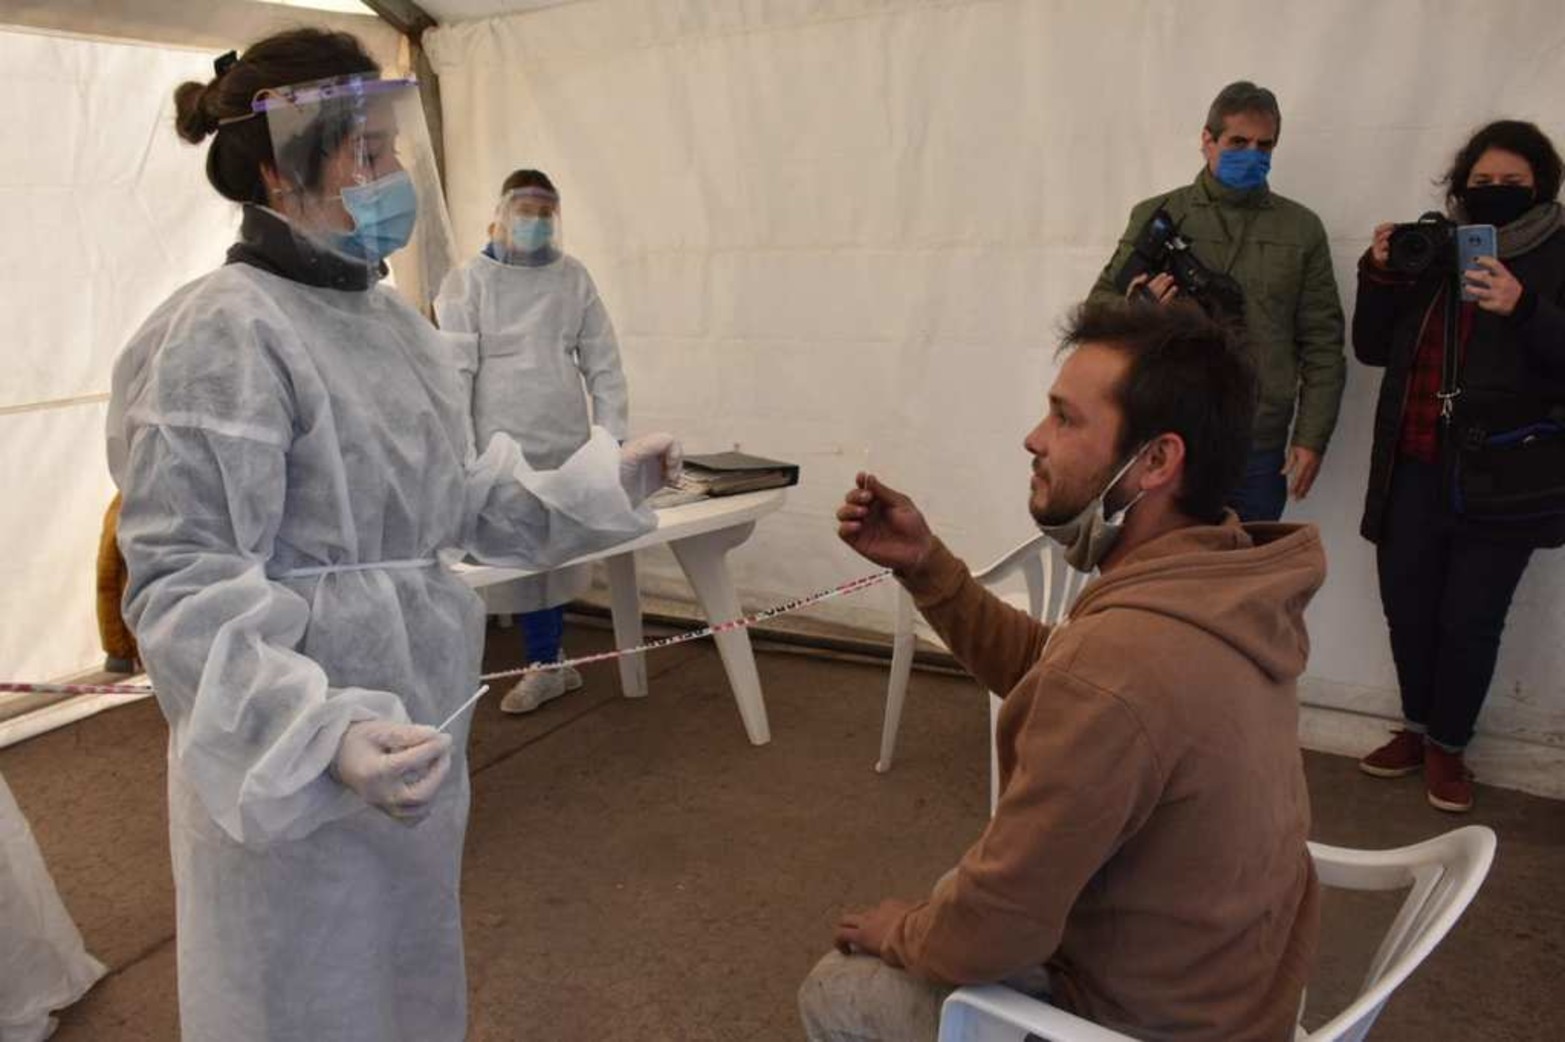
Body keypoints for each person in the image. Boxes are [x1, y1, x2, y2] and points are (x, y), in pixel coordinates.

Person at [109, 29, 678, 1042]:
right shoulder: (221, 335)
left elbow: (456, 502)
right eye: (364, 154)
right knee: (300, 991)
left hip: (415, 721)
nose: (393, 177)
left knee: (405, 974)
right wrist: (316, 730)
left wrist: (596, 484)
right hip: (283, 755)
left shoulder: (397, 329)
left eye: (392, 150)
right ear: (281, 170)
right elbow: (183, 582)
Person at [800, 301, 1323, 1042]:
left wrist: (900, 933)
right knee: (960, 888)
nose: (1033, 440)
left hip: (1148, 1021)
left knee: (841, 988)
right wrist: (928, 568)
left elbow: (990, 931)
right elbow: (1053, 671)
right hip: (1237, 986)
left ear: (1155, 462)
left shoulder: (1122, 664)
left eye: (1064, 419)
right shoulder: (1220, 576)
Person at [1353, 119, 1565, 813]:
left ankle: (1448, 745)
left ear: (1541, 185)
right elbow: (1372, 348)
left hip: (1502, 473)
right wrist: (1379, 273)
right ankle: (1415, 728)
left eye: (1511, 183)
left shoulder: (1557, 251)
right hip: (1412, 464)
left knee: (1470, 618)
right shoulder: (1433, 249)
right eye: (1481, 183)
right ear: (1459, 188)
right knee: (1406, 608)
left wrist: (1524, 306)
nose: (1495, 192)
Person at [1088, 80, 1346, 522]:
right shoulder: (1160, 216)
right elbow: (1098, 309)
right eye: (1238, 142)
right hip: (1168, 439)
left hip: (1257, 446)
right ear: (1207, 141)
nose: (1253, 154)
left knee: (1247, 582)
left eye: (1264, 145)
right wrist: (1140, 309)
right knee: (1166, 580)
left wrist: (1311, 438)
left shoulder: (1301, 229)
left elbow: (1323, 344)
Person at [435, 170, 629, 714]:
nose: (536, 223)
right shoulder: (466, 282)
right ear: (498, 215)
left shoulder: (573, 278)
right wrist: (462, 453)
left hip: (562, 441)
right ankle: (460, 673)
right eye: (526, 211)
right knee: (490, 560)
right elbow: (453, 375)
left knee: (548, 560)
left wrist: (610, 441)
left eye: (547, 214)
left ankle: (547, 662)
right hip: (497, 446)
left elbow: (604, 363)